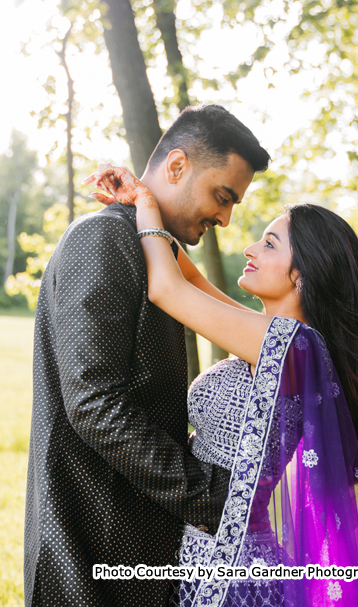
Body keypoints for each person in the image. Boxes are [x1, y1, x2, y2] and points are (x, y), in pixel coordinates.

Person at [91, 165, 358, 607]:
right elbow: (192, 281)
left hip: (226, 569)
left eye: (269, 244)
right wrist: (139, 201)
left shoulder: (290, 346)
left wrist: (149, 206)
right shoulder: (276, 338)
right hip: (209, 548)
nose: (250, 247)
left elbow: (168, 290)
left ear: (301, 275)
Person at [24, 104, 271, 607]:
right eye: (223, 196)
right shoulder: (102, 238)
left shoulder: (149, 250)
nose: (225, 218)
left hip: (144, 552)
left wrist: (144, 203)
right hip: (87, 554)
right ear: (177, 166)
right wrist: (214, 495)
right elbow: (93, 402)